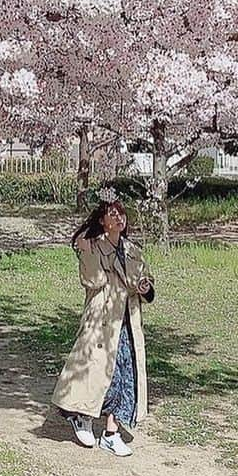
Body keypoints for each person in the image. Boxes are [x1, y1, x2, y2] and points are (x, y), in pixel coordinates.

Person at [50, 193, 154, 457]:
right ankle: (80, 415)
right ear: (102, 220)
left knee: (124, 376)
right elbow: (93, 281)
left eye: (121, 212)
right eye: (112, 213)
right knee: (94, 373)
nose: (119, 218)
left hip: (128, 322)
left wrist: (145, 287)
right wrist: (85, 251)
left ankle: (111, 432)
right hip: (102, 320)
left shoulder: (132, 250)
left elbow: (147, 283)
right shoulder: (93, 246)